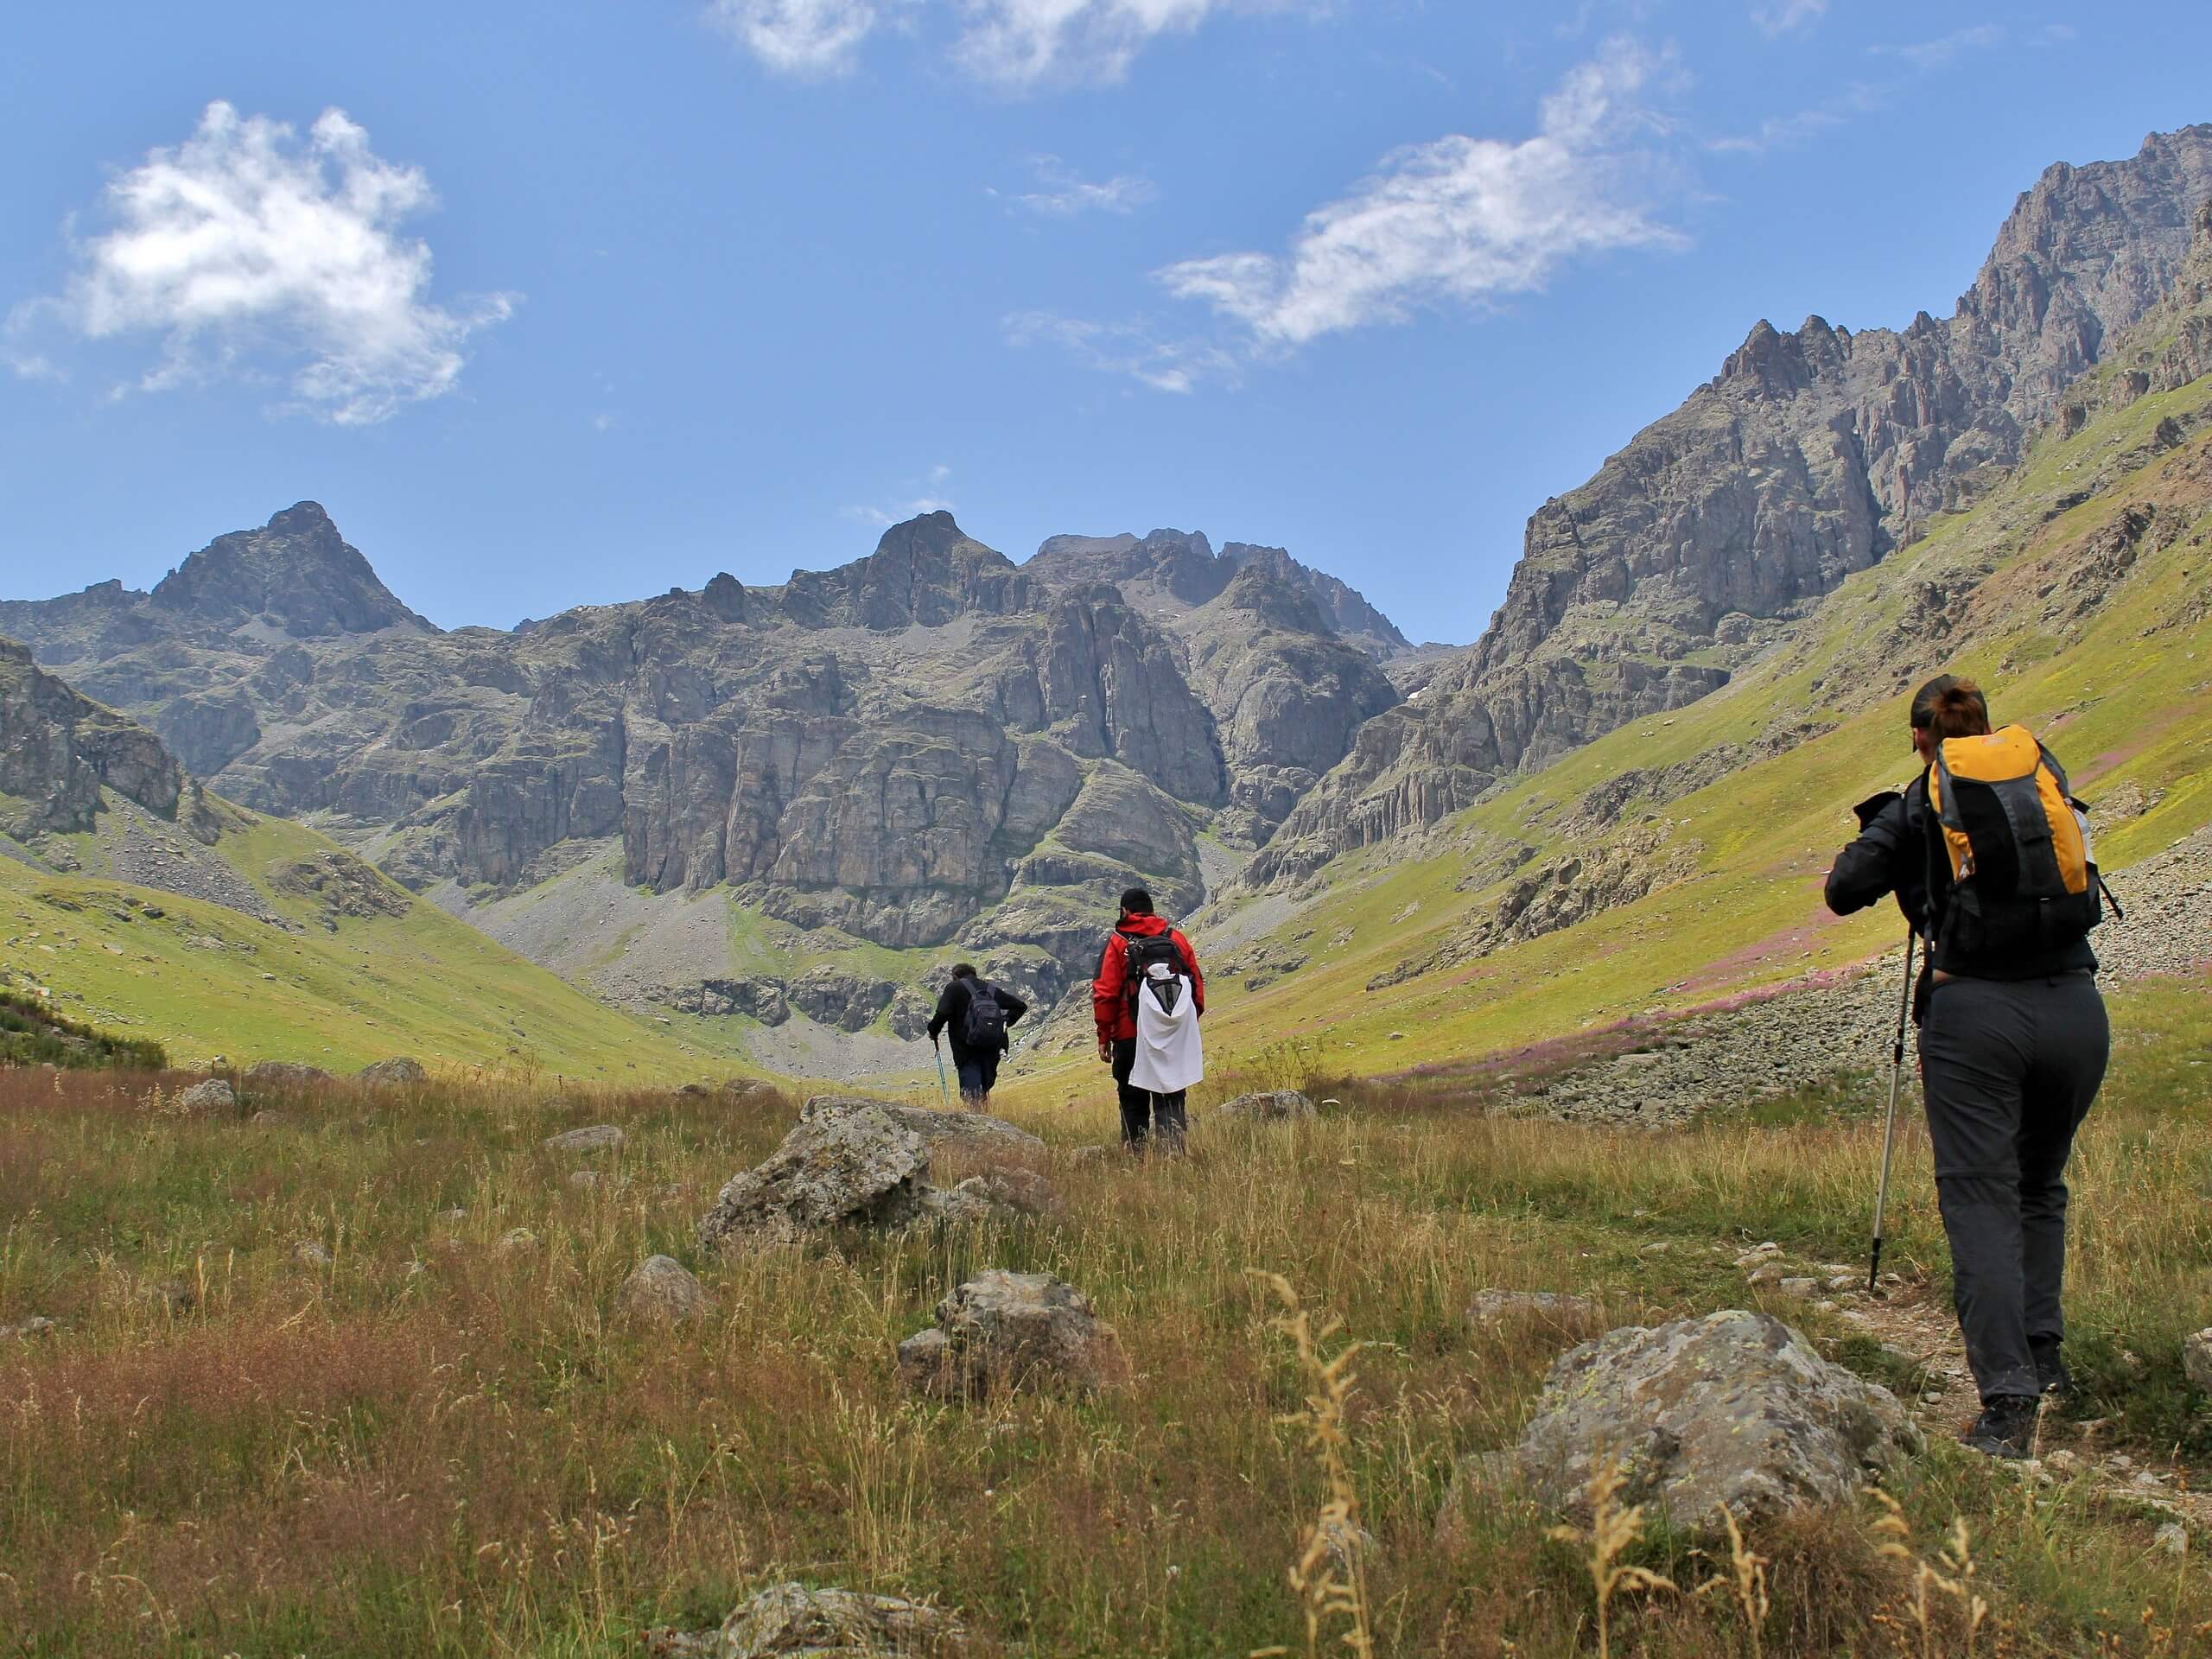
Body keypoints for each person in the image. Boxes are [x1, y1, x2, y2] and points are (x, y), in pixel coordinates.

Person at [1826, 674, 2110, 1460]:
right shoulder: (2035, 774)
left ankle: (2009, 1403)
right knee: (2038, 1187)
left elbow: (1843, 891)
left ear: (1922, 737)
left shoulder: (1921, 801)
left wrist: (1891, 823)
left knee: (1981, 1199)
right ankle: (2045, 1362)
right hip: (2078, 1008)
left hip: (1977, 1017)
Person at [1091, 887, 1205, 1150]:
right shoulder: (1176, 938)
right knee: (1171, 1096)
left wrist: (1104, 1036)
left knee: (1132, 1099)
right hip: (1171, 1035)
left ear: (1125, 911)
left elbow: (1105, 993)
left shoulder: (1118, 942)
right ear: (1151, 909)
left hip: (1130, 1034)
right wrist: (1183, 1024)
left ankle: (1137, 1159)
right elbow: (1196, 985)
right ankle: (1173, 1157)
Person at [926, 963, 1027, 1107]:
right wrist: (1004, 1023)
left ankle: (978, 1125)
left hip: (966, 1049)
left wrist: (933, 1031)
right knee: (983, 1091)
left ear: (955, 976)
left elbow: (942, 1013)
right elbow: (1020, 1006)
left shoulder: (954, 988)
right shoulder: (990, 989)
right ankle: (989, 1121)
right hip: (992, 1048)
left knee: (972, 1096)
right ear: (974, 974)